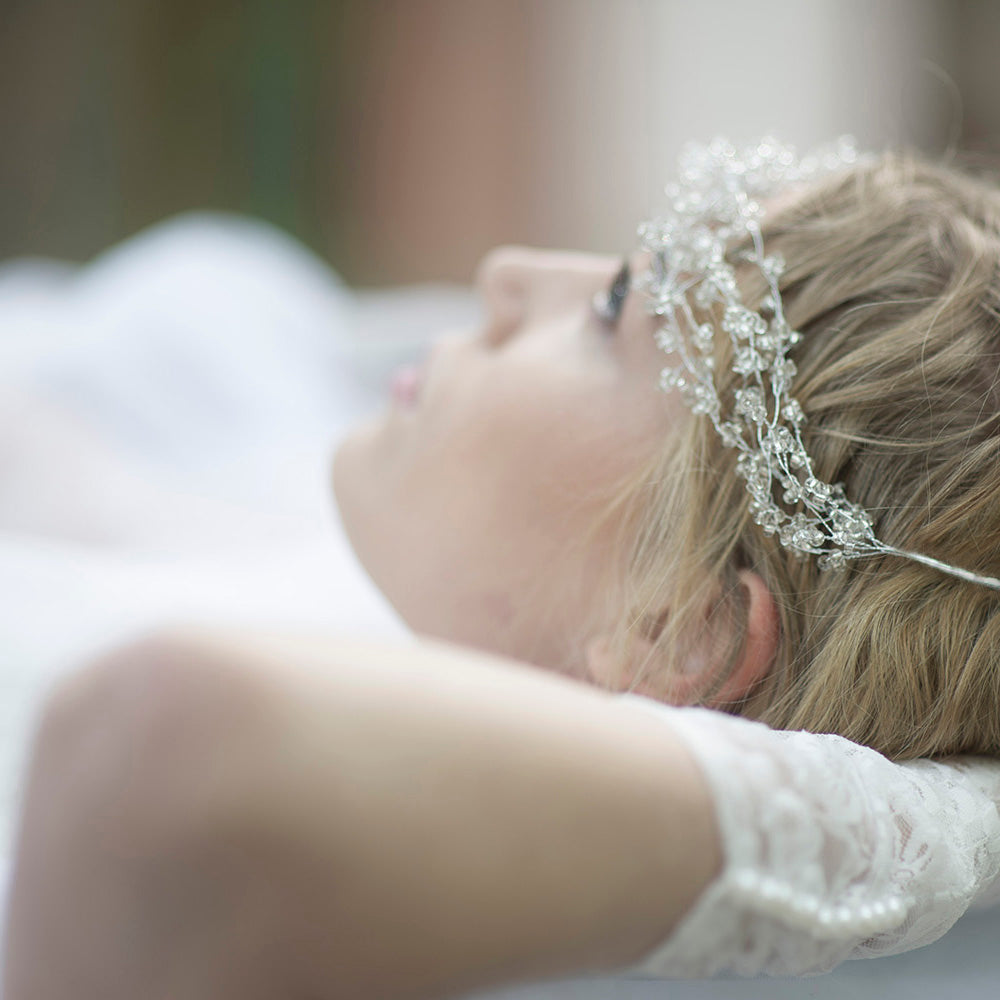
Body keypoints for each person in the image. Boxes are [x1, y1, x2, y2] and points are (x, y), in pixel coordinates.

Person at [4, 138, 1000, 999]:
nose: (508, 275)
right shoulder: (333, 553)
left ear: (676, 626)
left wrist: (911, 829)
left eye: (613, 307)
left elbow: (171, 729)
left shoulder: (249, 779)